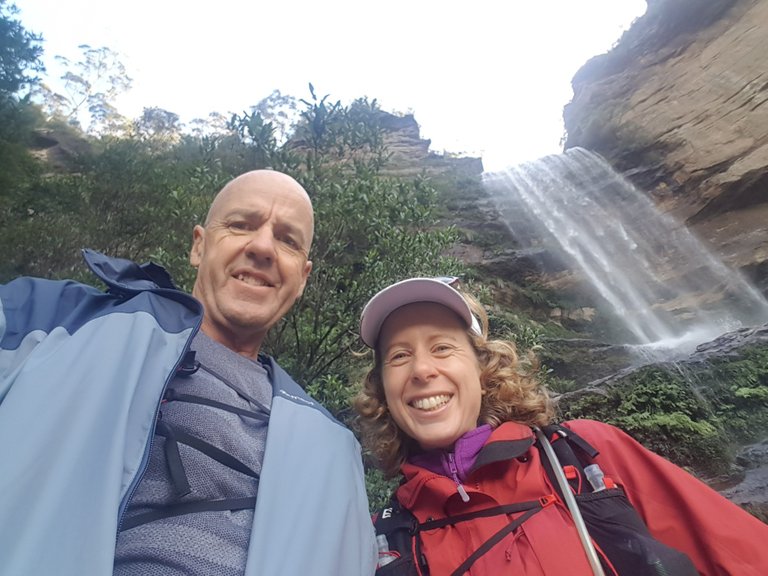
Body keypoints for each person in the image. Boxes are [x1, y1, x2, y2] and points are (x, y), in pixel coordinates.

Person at [0, 170, 377, 576]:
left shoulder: (334, 447)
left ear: (302, 278)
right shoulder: (57, 318)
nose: (263, 246)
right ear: (199, 245)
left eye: (287, 239)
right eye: (240, 225)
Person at [353, 276, 768, 575]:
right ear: (384, 388)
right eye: (399, 356)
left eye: (442, 347)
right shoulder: (385, 537)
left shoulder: (588, 454)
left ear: (482, 369)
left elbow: (744, 552)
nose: (422, 369)